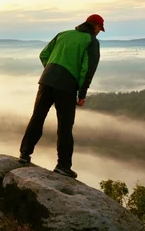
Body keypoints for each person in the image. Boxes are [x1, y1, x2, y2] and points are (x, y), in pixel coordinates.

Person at [18, 14, 104, 178]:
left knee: (37, 117)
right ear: (97, 27)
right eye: (100, 29)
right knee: (65, 126)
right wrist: (82, 93)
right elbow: (88, 69)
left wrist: (51, 71)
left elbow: (44, 54)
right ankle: (63, 165)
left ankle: (24, 154)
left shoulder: (63, 34)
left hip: (47, 79)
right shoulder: (91, 41)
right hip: (67, 85)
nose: (99, 32)